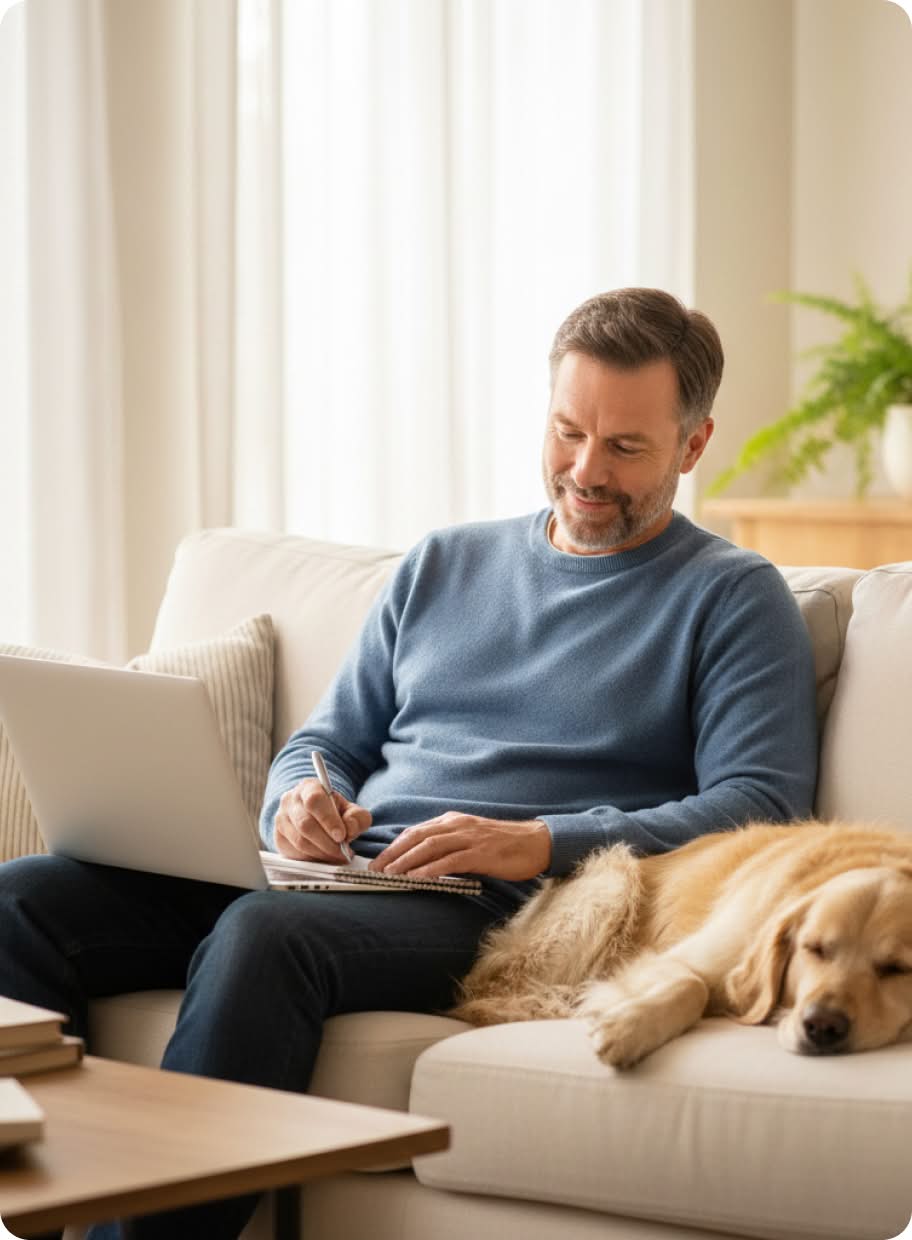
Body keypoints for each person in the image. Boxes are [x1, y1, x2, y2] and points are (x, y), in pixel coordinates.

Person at [0, 288, 818, 1239]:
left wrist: (538, 841)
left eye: (625, 447)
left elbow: (761, 807)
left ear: (694, 443)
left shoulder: (731, 596)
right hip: (342, 876)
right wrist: (302, 798)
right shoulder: (443, 564)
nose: (586, 471)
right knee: (25, 899)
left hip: (508, 906)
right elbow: (324, 743)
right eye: (568, 432)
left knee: (267, 935)